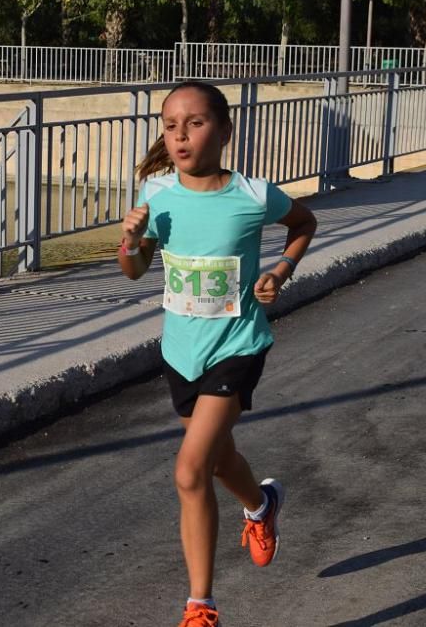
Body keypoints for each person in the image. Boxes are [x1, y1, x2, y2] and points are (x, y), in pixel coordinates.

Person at [118, 81, 317, 627]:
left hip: (238, 346)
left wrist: (280, 270)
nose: (180, 136)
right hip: (181, 352)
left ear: (225, 130)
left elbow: (304, 223)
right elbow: (134, 270)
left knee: (189, 471)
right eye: (170, 125)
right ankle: (261, 506)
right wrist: (131, 242)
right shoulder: (156, 195)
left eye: (195, 123)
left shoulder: (252, 195)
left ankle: (200, 608)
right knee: (218, 457)